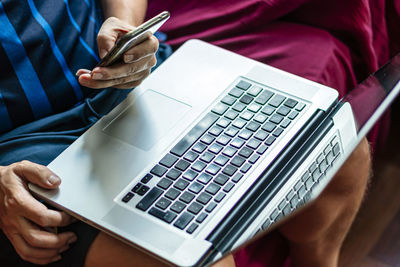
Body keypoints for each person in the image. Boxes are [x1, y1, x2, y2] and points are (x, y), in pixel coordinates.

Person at [0, 1, 397, 267]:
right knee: (194, 259)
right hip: (21, 153)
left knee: (338, 146)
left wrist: (124, 28)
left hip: (125, 78)